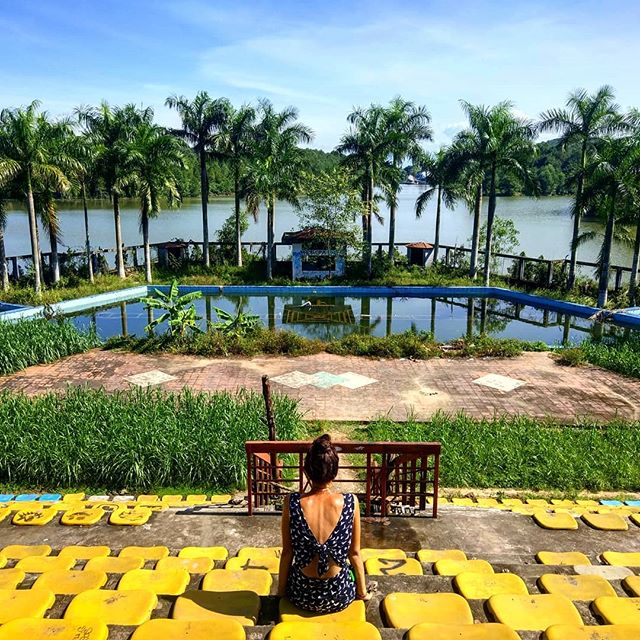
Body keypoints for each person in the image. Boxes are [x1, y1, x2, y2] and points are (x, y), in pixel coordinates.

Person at [278, 434, 370, 613]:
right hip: (338, 596)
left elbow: (287, 553)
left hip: (301, 595)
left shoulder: (291, 502)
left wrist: (281, 594)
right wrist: (362, 593)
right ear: (334, 472)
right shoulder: (351, 502)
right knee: (348, 568)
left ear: (307, 472)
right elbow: (355, 553)